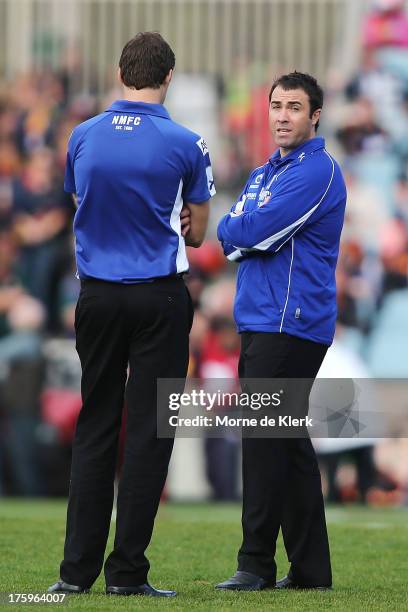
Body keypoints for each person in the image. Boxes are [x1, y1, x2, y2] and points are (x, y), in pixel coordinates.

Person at [48, 32, 215, 597]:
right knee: (148, 432)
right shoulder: (186, 142)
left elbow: (79, 199)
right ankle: (126, 574)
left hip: (97, 294)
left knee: (96, 423)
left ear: (121, 72)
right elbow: (198, 232)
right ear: (167, 78)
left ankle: (74, 574)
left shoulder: (81, 135)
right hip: (159, 297)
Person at [216, 72, 346, 591]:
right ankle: (311, 570)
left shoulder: (317, 171)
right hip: (261, 319)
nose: (282, 116)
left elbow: (253, 231)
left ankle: (255, 565)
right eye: (276, 105)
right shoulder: (264, 173)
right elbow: (230, 233)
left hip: (290, 322)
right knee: (286, 441)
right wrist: (242, 227)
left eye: (294, 107)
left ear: (316, 115)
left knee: (265, 439)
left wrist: (243, 226)